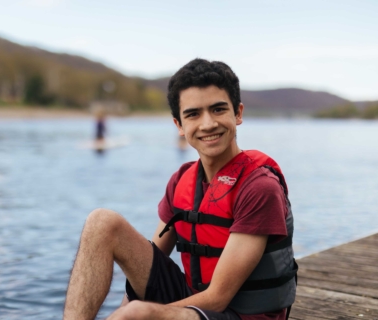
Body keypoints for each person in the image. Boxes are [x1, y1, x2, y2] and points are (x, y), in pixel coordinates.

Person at [64, 59, 297, 320]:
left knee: (136, 313)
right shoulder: (181, 181)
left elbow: (218, 298)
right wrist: (124, 310)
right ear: (179, 125)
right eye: (193, 114)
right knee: (101, 222)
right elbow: (147, 266)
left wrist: (138, 314)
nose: (208, 124)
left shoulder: (259, 187)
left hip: (240, 315)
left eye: (218, 109)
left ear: (238, 113)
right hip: (194, 304)